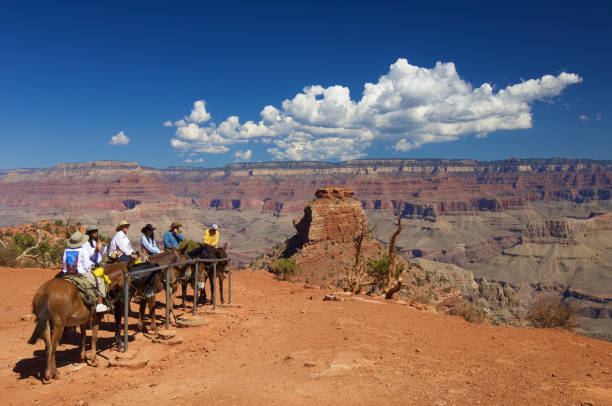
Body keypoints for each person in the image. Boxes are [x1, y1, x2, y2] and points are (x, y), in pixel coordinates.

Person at [62, 231, 109, 313]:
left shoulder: (66, 250)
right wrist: (89, 270)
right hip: (81, 274)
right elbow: (87, 266)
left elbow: (64, 264)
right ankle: (99, 305)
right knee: (100, 282)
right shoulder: (83, 250)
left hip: (67, 274)